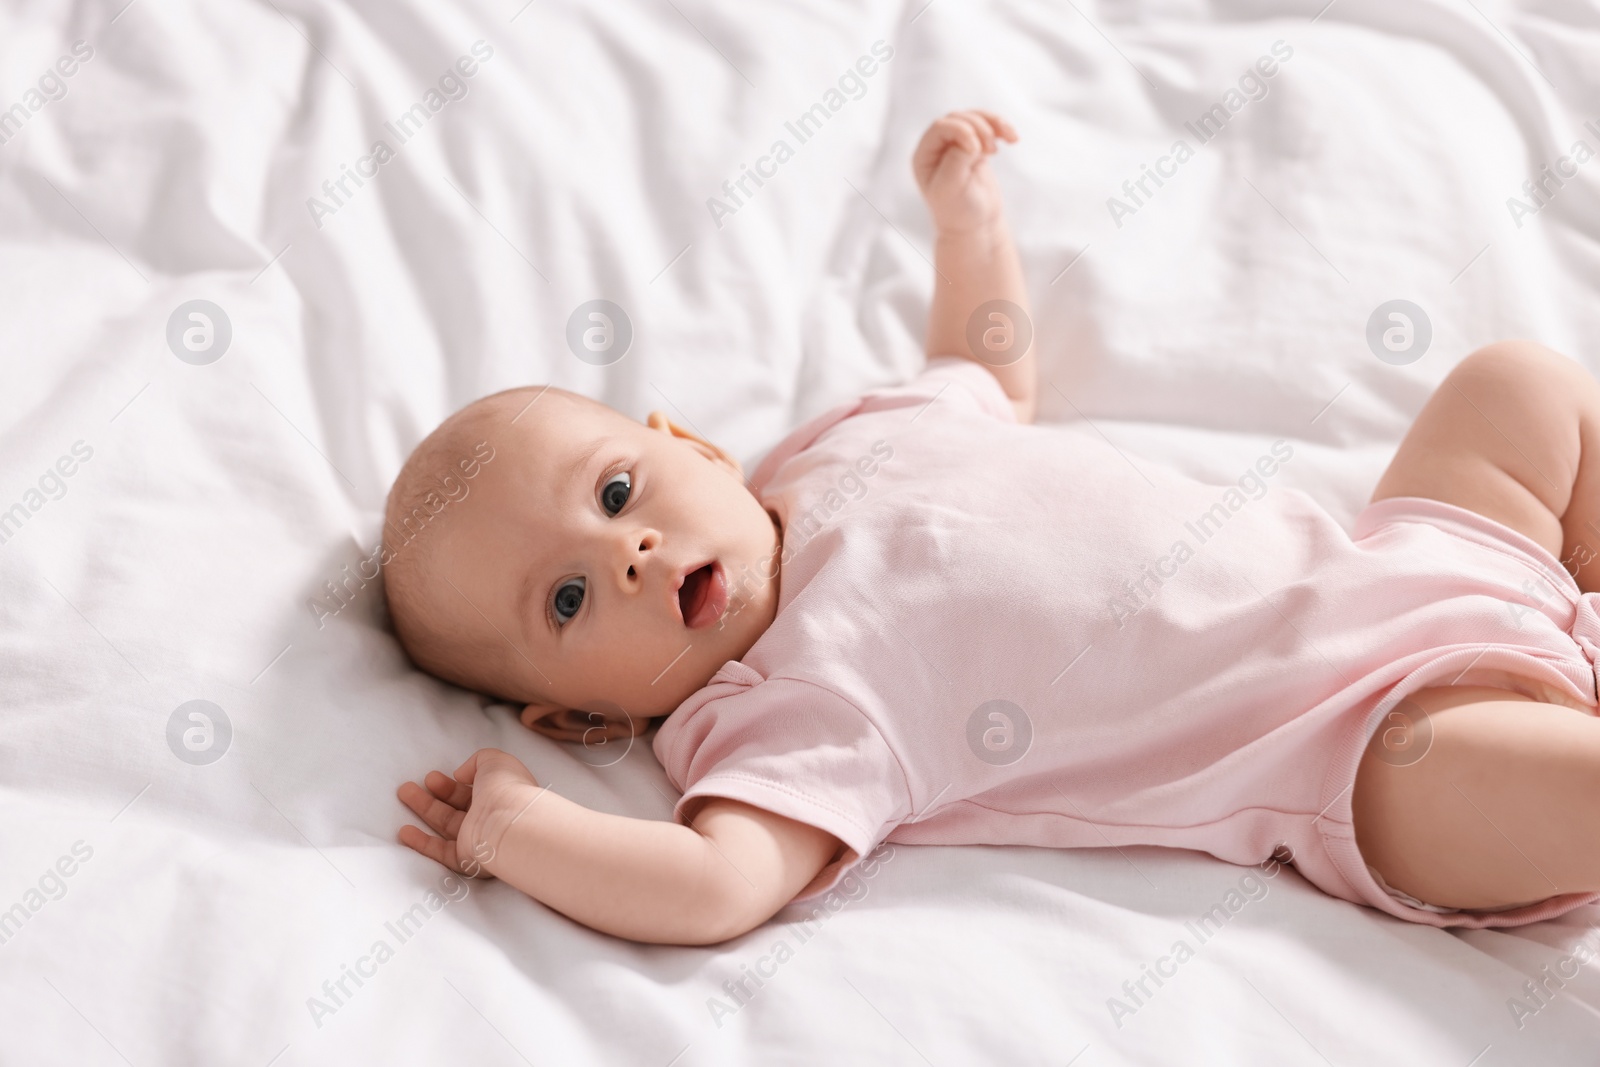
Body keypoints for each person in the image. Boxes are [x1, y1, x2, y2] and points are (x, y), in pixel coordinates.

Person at [389, 110, 1600, 945]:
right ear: (584, 717)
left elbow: (984, 372)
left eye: (614, 494)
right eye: (567, 600)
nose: (627, 554)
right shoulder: (777, 713)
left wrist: (968, 231)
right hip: (1365, 748)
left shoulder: (841, 441)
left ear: (691, 445)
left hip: (1410, 561)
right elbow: (713, 886)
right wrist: (523, 830)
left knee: (1521, 385)